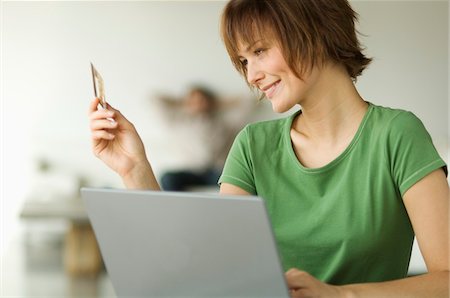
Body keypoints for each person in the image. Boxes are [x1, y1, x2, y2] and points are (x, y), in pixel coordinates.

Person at [88, 0, 449, 297]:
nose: (251, 75)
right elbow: (207, 273)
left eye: (260, 51)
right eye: (244, 61)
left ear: (316, 32)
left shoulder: (397, 135)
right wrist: (135, 169)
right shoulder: (252, 145)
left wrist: (341, 295)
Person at [153, 85, 232, 191]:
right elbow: (154, 100)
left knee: (233, 178)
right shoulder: (178, 122)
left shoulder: (222, 123)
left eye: (202, 100)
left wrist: (218, 103)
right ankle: (176, 206)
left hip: (214, 171)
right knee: (167, 178)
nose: (198, 103)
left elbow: (248, 101)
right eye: (194, 101)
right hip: (189, 171)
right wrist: (183, 102)